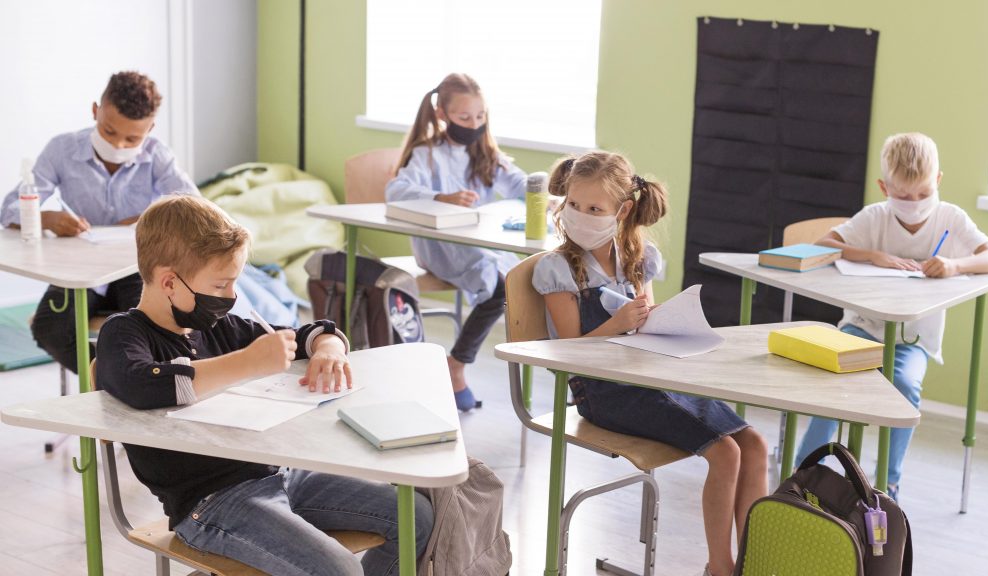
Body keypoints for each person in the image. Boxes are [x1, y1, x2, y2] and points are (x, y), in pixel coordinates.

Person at [96, 195, 433, 576]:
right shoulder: (124, 333)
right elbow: (141, 384)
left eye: (235, 282)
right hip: (209, 504)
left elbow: (309, 332)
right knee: (339, 570)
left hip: (282, 475)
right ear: (170, 282)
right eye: (220, 285)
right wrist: (247, 362)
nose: (232, 297)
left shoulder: (217, 327)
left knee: (416, 517)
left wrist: (329, 348)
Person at [532, 151, 768, 576]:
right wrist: (619, 323)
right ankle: (721, 567)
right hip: (605, 393)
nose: (580, 216)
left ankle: (755, 564)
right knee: (727, 454)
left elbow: (650, 328)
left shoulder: (637, 258)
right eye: (574, 205)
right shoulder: (558, 268)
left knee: (754, 445)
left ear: (621, 211)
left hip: (649, 376)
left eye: (594, 209)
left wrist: (660, 325)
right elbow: (569, 353)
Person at [795, 132, 988, 502]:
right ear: (884, 187)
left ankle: (887, 484)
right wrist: (872, 255)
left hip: (913, 340)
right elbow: (822, 245)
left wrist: (956, 265)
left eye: (923, 194)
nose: (914, 203)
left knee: (906, 387)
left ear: (937, 181)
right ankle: (804, 472)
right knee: (832, 381)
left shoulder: (949, 217)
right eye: (903, 196)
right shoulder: (875, 217)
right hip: (861, 329)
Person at [1, 70, 198, 373]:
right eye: (109, 131)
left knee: (153, 327)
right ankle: (110, 383)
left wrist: (149, 218)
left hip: (137, 268)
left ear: (150, 129)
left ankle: (136, 384)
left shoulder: (157, 155)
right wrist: (46, 218)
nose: (119, 145)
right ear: (95, 111)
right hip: (81, 269)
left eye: (132, 138)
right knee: (49, 329)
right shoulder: (62, 150)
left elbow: (194, 207)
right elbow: (9, 210)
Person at [385, 73, 527, 412]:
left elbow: (519, 183)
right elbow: (396, 192)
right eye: (464, 118)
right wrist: (441, 196)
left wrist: (544, 195)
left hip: (481, 245)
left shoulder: (486, 152)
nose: (474, 124)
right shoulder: (427, 155)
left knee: (529, 277)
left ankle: (567, 373)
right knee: (502, 287)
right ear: (442, 115)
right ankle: (457, 364)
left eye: (480, 117)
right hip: (441, 249)